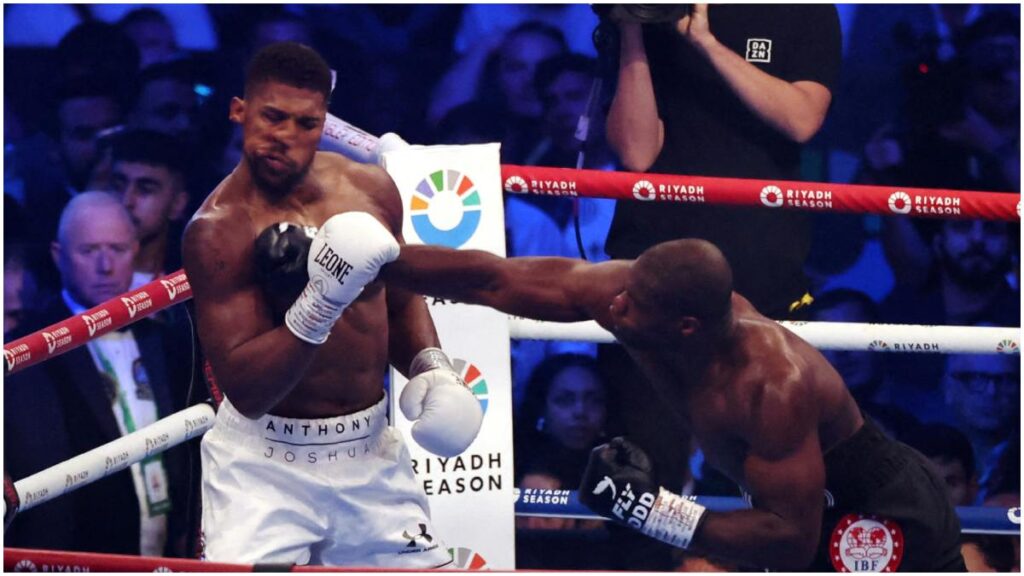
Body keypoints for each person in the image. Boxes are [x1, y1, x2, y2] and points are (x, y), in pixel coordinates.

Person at [380, 238, 966, 571]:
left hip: (872, 508)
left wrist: (651, 510)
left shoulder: (771, 386)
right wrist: (373, 262)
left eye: (635, 307)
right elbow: (494, 280)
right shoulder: (633, 295)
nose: (616, 312)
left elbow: (789, 538)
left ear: (686, 326)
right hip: (792, 501)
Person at [182, 42, 482, 567]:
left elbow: (399, 296)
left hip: (368, 453)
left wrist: (430, 367)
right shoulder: (218, 230)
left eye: (306, 124)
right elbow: (247, 390)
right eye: (273, 117)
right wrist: (322, 300)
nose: (286, 139)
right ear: (239, 110)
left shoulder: (368, 188)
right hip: (264, 465)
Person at [4, 192, 194, 557]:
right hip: (72, 555)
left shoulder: (167, 338)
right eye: (89, 251)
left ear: (136, 250)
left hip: (166, 551)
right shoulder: (26, 351)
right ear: (59, 256)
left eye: (118, 249)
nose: (106, 266)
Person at [108, 129, 191, 288]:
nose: (126, 201)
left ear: (177, 205)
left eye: (145, 189)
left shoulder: (197, 291)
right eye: (118, 185)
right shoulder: (71, 282)